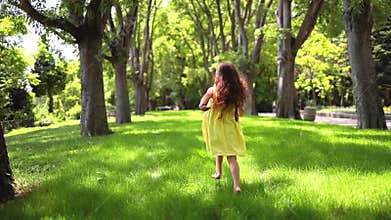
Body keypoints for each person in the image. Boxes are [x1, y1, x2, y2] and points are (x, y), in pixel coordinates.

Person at [199, 62, 248, 192]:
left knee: (218, 147)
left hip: (217, 127)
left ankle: (219, 173)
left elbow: (201, 105)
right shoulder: (237, 91)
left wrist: (208, 107)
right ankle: (235, 184)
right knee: (232, 157)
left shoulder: (213, 90)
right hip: (231, 126)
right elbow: (240, 109)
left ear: (219, 75)